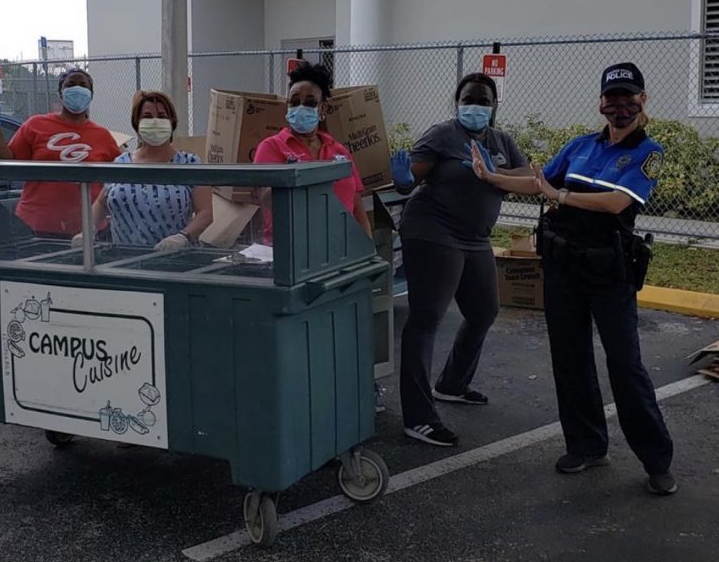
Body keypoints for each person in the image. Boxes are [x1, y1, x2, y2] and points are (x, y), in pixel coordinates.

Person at [470, 62, 676, 495]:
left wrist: (559, 195)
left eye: (629, 98)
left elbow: (617, 203)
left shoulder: (648, 152)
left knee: (625, 365)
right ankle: (586, 445)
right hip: (565, 269)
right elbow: (537, 180)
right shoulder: (581, 146)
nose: (620, 107)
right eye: (612, 98)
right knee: (570, 358)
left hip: (609, 272)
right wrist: (493, 176)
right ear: (601, 103)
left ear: (643, 101)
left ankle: (657, 459)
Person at [390, 73, 531, 447]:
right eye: (469, 98)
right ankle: (418, 417)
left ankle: (452, 384)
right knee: (426, 319)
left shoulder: (502, 141)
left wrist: (497, 172)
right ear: (457, 101)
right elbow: (409, 181)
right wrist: (403, 178)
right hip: (433, 231)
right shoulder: (443, 135)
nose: (476, 106)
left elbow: (530, 176)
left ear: (494, 105)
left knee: (484, 309)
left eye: (484, 100)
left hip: (475, 238)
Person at [0, 68, 121, 238]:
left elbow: (120, 180)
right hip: (37, 227)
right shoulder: (36, 125)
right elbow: (6, 163)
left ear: (91, 94)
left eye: (83, 85)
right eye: (70, 84)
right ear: (60, 92)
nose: (77, 88)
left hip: (87, 232)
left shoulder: (102, 136)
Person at [253, 62, 372, 242]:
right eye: (294, 102)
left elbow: (357, 208)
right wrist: (291, 177)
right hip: (292, 248)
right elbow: (266, 199)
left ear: (322, 109)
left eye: (310, 103)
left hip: (340, 247)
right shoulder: (271, 147)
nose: (300, 108)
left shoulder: (339, 151)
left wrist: (368, 250)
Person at [86, 90, 213, 251]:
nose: (155, 122)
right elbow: (101, 203)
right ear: (137, 123)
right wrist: (88, 230)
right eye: (147, 116)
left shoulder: (190, 164)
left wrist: (183, 237)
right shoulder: (121, 164)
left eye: (161, 116)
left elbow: (205, 213)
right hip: (123, 262)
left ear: (172, 122)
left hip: (175, 262)